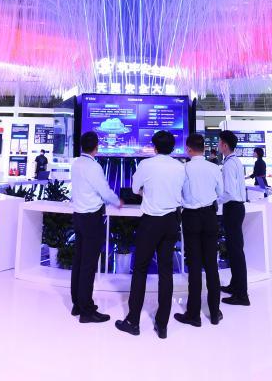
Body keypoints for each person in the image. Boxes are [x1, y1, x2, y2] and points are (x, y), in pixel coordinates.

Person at [115, 130, 186, 339]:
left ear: (154, 147)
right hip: (171, 220)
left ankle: (133, 322)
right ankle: (162, 325)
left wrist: (146, 192)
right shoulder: (180, 167)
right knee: (166, 271)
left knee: (140, 269)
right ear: (172, 148)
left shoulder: (146, 164)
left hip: (151, 221)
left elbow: (134, 189)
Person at [70, 131, 122, 324]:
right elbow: (104, 191)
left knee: (79, 261)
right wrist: (117, 201)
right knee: (89, 264)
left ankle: (77, 304)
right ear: (96, 147)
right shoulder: (94, 166)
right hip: (91, 218)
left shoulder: (76, 163)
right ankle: (86, 310)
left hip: (78, 217)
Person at [174, 133, 224, 328]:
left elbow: (177, 194)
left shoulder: (183, 169)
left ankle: (193, 314)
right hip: (210, 216)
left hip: (191, 217)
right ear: (203, 148)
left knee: (194, 266)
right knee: (211, 265)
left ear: (188, 148)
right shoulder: (214, 168)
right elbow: (220, 193)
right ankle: (214, 312)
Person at [218, 130, 250, 306]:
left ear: (224, 145)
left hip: (232, 208)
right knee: (234, 250)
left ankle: (242, 295)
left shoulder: (229, 165)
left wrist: (215, 201)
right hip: (237, 208)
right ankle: (235, 285)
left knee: (236, 252)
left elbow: (229, 192)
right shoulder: (235, 161)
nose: (217, 145)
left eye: (219, 142)